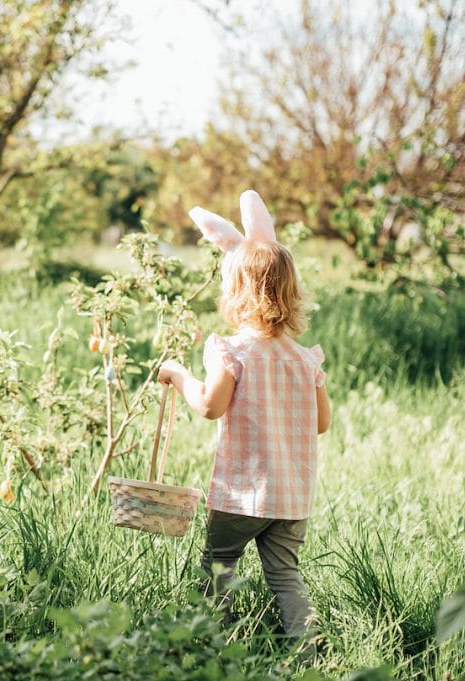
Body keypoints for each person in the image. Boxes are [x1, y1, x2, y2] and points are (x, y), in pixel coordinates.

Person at [158, 190, 331, 651]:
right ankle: (308, 651)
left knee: (219, 561)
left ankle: (213, 644)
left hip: (242, 492)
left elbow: (210, 406)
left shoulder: (233, 351)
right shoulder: (304, 359)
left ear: (236, 292)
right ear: (291, 293)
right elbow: (321, 423)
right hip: (292, 498)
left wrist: (176, 374)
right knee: (285, 576)